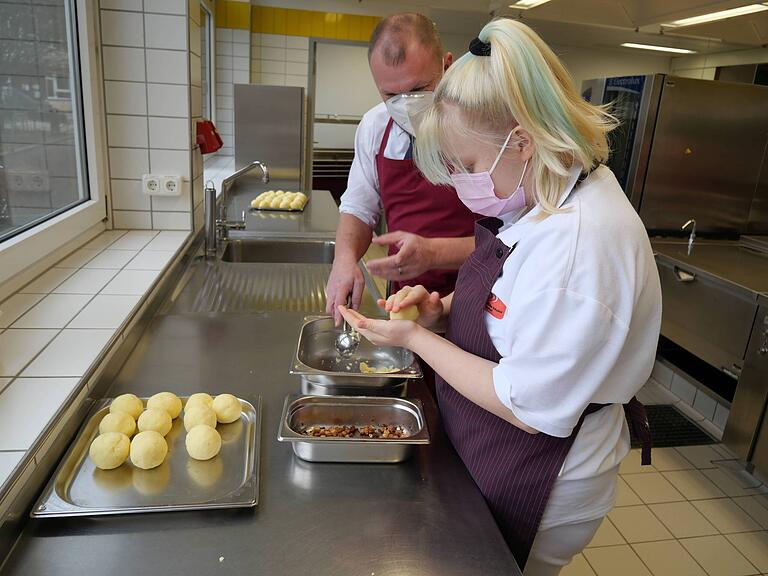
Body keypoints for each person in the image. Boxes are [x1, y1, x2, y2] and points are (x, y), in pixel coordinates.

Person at [339, 18, 660, 576]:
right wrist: (441, 316)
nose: (463, 184)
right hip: (494, 445)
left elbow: (526, 404)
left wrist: (415, 336)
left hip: (540, 471)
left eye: (465, 166)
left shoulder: (579, 245)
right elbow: (512, 304)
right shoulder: (543, 194)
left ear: (524, 140)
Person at [325, 13, 478, 326]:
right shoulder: (374, 126)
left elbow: (515, 237)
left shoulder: (480, 125)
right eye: (391, 95)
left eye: (420, 88)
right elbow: (358, 207)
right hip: (404, 302)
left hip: (478, 295)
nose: (406, 105)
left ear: (447, 65)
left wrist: (433, 253)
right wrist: (344, 259)